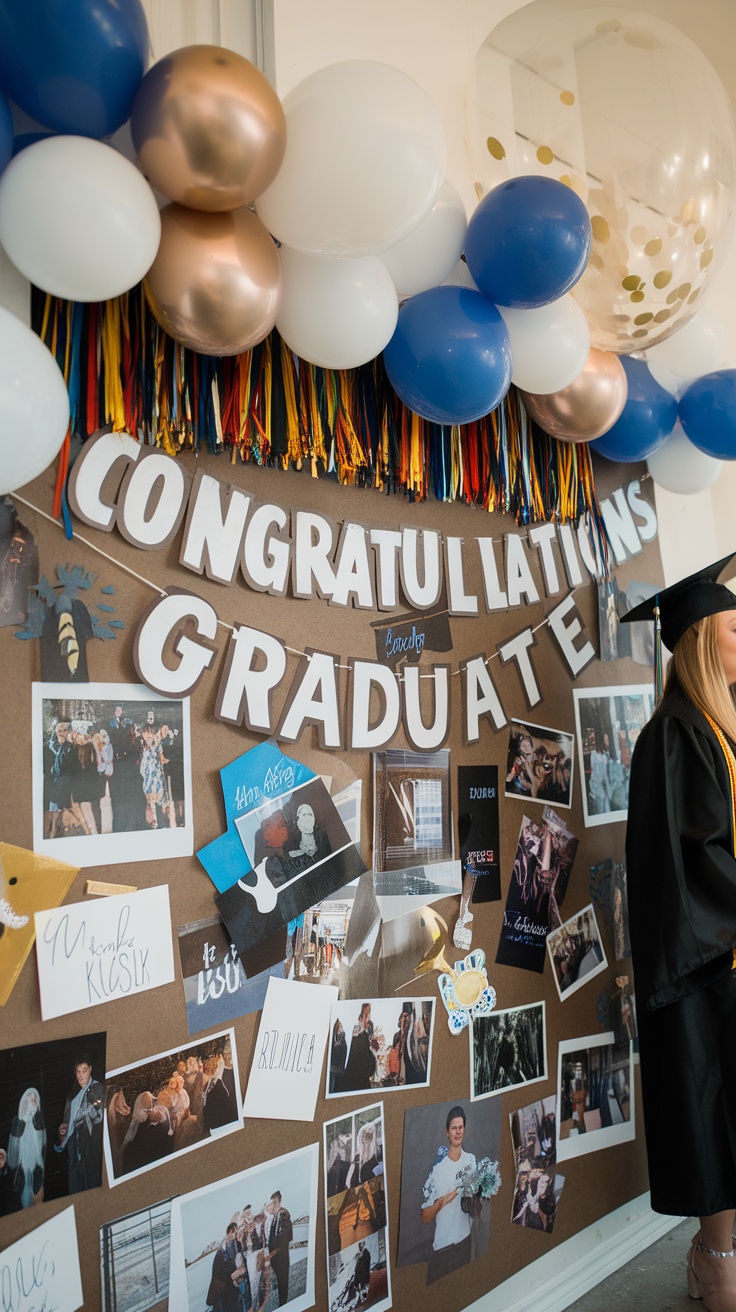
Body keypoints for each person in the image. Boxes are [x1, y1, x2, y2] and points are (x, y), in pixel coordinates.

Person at [623, 555, 736, 1312]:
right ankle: (721, 1265)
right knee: (717, 1127)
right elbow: (697, 858)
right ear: (701, 637)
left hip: (721, 959)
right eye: (735, 627)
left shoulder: (711, 729)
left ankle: (717, 1262)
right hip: (704, 967)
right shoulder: (674, 735)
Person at [421, 1105, 477, 1283]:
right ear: (447, 1132)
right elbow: (425, 1217)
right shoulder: (437, 1169)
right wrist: (442, 1202)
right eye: (454, 1128)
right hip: (443, 1247)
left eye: (461, 1127)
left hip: (465, 1241)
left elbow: (476, 1199)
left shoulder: (471, 1160)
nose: (458, 1132)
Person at [57, 1056, 104, 1193]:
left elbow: (98, 1117)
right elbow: (66, 1122)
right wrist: (63, 1130)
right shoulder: (72, 1096)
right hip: (74, 1144)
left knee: (92, 1179)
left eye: (84, 1070)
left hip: (91, 1142)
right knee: (76, 1181)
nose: (80, 1075)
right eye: (78, 1071)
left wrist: (85, 1116)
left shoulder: (96, 1088)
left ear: (90, 1070)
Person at [6, 1088, 45, 1210]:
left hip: (37, 1163)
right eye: (29, 1097)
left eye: (35, 1097)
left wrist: (34, 1114)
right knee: (26, 1186)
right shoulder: (17, 1121)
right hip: (23, 1165)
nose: (32, 1100)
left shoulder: (38, 1119)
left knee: (37, 1189)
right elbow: (13, 1148)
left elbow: (41, 1138)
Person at [265, 1189, 292, 1306]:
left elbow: (288, 1237)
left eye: (272, 1202)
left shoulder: (284, 1216)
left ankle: (283, 1305)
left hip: (282, 1257)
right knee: (280, 1282)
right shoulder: (274, 1218)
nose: (271, 1204)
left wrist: (275, 1249)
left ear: (276, 1201)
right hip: (275, 1258)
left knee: (283, 1283)